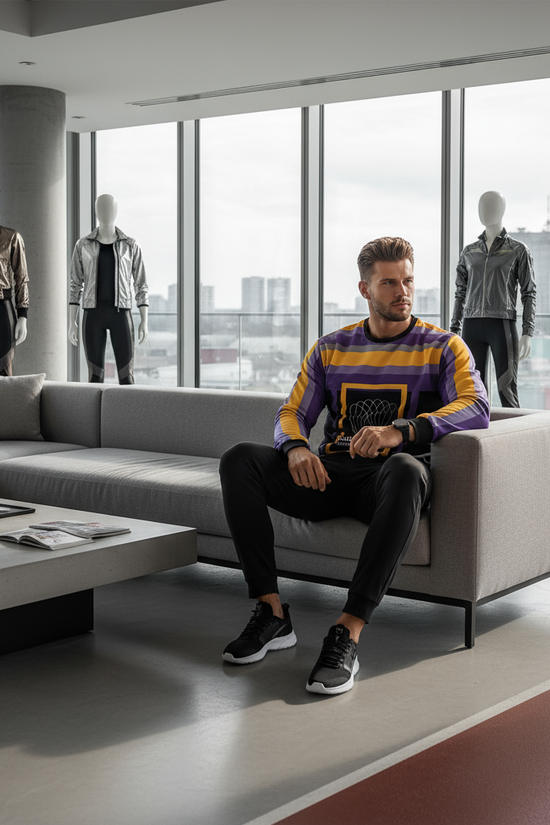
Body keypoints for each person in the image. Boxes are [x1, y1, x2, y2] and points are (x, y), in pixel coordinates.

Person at [219, 236, 490, 696]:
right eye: (389, 283)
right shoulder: (330, 348)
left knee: (407, 469)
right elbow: (292, 412)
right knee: (240, 459)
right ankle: (272, 613)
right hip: (327, 475)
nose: (402, 291)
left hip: (388, 484)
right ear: (365, 289)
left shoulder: (444, 347)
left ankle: (348, 630)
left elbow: (476, 407)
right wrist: (295, 449)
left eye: (407, 280)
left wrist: (402, 430)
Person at [451, 191, 536, 407]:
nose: (485, 211)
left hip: (502, 325)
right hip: (471, 325)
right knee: (475, 392)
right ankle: (482, 439)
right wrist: (454, 329)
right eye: (482, 206)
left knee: (506, 389)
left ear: (502, 210)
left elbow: (529, 292)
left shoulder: (517, 250)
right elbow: (460, 292)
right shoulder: (469, 252)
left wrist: (528, 332)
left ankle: (514, 440)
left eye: (492, 206)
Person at [68, 194, 149, 384]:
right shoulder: (83, 245)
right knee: (95, 378)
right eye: (101, 208)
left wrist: (144, 319)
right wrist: (72, 321)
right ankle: (95, 414)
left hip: (121, 314)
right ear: (96, 212)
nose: (105, 212)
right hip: (92, 314)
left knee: (127, 377)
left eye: (109, 208)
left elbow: (141, 284)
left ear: (116, 211)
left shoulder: (130, 245)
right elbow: (75, 284)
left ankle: (127, 414)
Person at [0, 224, 29, 375]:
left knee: (4, 374)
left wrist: (22, 315)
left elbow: (21, 278)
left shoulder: (11, 237)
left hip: (2, 310)